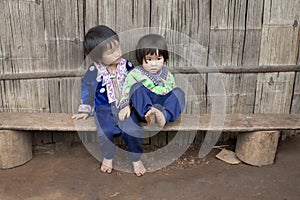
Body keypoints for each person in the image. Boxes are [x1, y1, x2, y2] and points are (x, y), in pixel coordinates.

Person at [72, 25, 146, 177]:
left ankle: (136, 158)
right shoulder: (95, 70)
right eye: (111, 52)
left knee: (132, 130)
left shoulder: (126, 65)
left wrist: (134, 104)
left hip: (125, 106)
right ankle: (108, 156)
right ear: (98, 57)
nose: (117, 53)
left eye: (118, 48)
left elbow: (135, 84)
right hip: (104, 108)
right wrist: (85, 109)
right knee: (105, 132)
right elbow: (87, 87)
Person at [118, 34, 185, 130]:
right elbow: (127, 90)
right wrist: (125, 106)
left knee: (178, 92)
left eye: (158, 59)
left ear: (164, 58)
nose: (154, 64)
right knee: (136, 88)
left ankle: (164, 116)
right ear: (141, 58)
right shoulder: (135, 73)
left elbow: (172, 94)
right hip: (143, 108)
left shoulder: (168, 74)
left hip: (163, 106)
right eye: (149, 59)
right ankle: (150, 114)